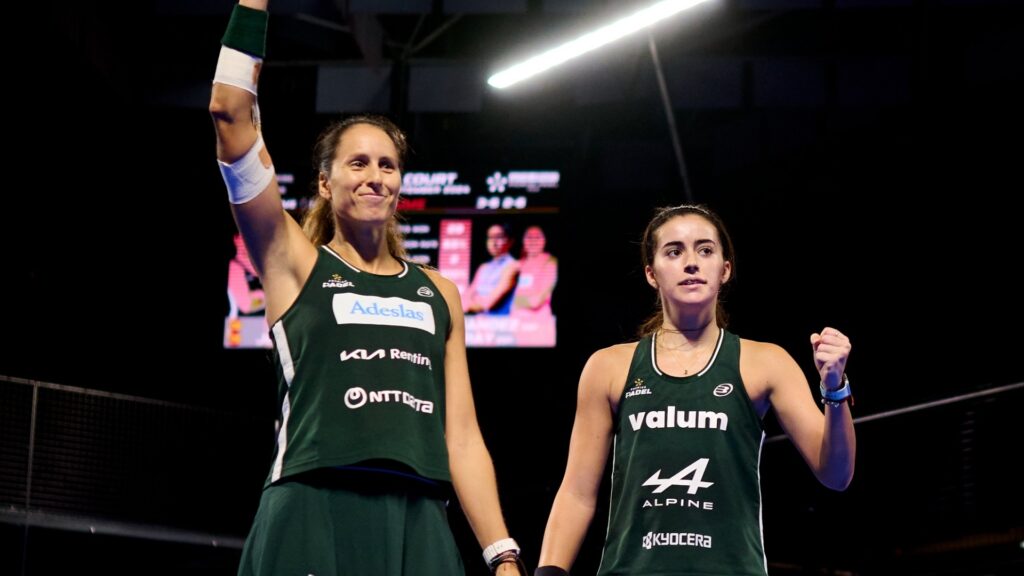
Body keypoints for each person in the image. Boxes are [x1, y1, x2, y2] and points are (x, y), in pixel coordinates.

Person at [209, 2, 525, 574]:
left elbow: (462, 435)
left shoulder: (439, 293)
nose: (374, 175)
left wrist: (501, 553)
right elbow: (229, 113)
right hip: (310, 509)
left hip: (418, 520)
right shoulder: (293, 262)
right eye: (357, 163)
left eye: (387, 164)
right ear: (325, 183)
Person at [535, 204, 856, 576]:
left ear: (725, 270)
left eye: (705, 250)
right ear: (652, 274)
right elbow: (576, 492)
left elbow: (836, 474)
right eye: (674, 251)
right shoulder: (608, 367)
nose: (691, 262)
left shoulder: (766, 362)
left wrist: (835, 387)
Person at [510, 225, 558, 346]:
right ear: (524, 241)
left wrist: (515, 301)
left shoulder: (550, 263)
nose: (533, 241)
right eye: (529, 237)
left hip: (538, 330)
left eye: (537, 237)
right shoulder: (518, 264)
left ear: (544, 240)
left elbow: (536, 301)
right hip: (516, 329)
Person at [464, 223, 519, 315]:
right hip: (478, 325)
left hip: (501, 325)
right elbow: (466, 297)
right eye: (490, 237)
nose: (494, 242)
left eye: (498, 237)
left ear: (510, 241)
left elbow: (488, 303)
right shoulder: (483, 268)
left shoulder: (513, 266)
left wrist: (471, 303)